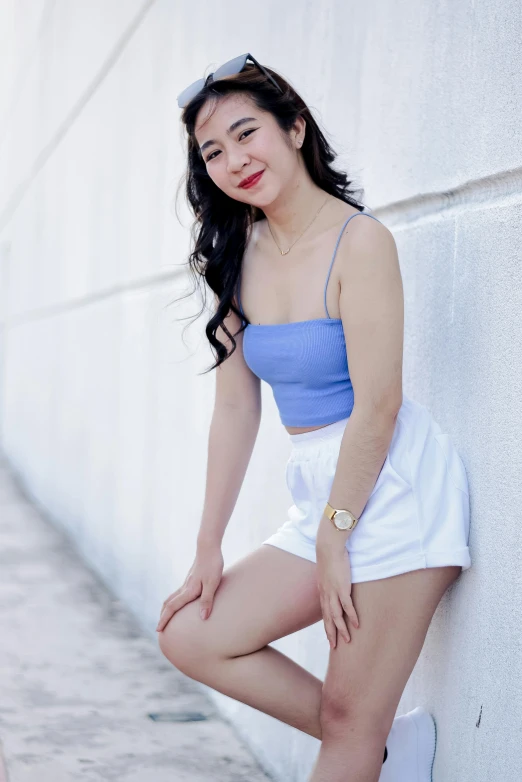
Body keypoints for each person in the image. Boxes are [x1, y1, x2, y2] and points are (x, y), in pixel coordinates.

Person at [156, 53, 471, 782]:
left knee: (343, 733)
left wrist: (337, 534)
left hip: (390, 490)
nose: (234, 160)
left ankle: (365, 740)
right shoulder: (239, 255)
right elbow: (235, 407)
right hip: (321, 497)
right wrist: (209, 546)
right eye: (213, 151)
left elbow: (379, 405)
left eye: (247, 133)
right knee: (191, 636)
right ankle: (384, 743)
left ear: (295, 128)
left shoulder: (361, 243)